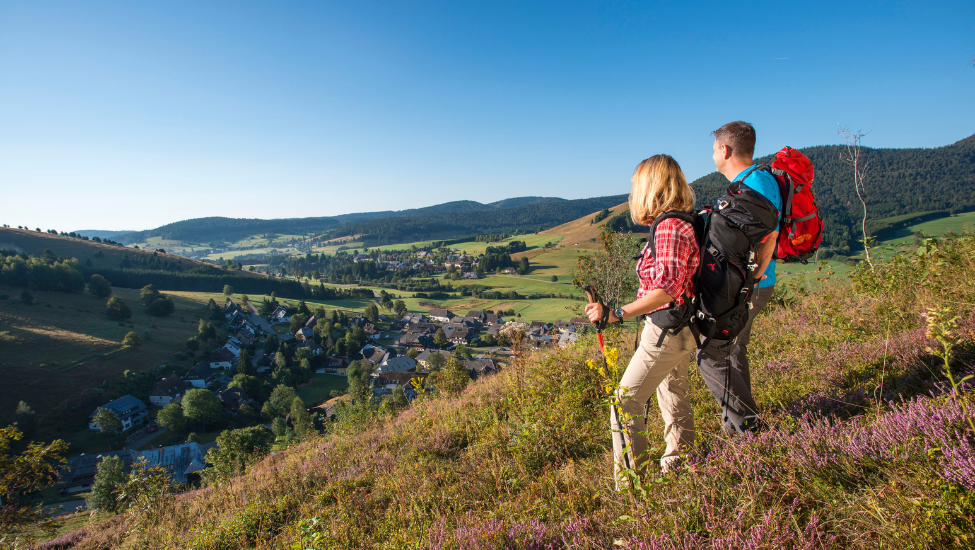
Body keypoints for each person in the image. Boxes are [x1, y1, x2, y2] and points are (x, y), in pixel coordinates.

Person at [585, 154, 701, 482]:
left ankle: (635, 489)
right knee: (673, 394)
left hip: (667, 325)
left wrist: (616, 314)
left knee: (623, 405)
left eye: (636, 184)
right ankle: (680, 467)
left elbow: (667, 289)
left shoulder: (669, 227)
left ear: (650, 186)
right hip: (680, 325)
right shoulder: (679, 222)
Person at [697, 120, 782, 435]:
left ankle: (748, 427)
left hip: (745, 288)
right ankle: (736, 426)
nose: (712, 156)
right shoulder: (757, 179)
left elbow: (769, 234)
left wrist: (753, 277)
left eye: (713, 149)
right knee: (732, 349)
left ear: (724, 149)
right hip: (749, 285)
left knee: (710, 353)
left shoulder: (754, 184)